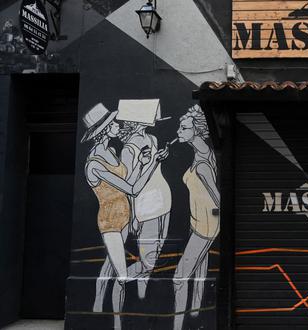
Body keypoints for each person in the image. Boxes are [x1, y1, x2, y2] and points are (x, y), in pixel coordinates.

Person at [82, 103, 167, 328]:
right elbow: (131, 188)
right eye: (112, 124)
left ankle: (99, 303)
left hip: (126, 216)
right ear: (103, 131)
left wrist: (142, 162)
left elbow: (128, 179)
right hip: (110, 223)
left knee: (109, 264)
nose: (117, 126)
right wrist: (154, 163)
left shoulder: (110, 152)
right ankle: (118, 324)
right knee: (121, 276)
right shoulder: (94, 165)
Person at [173, 105, 219, 330]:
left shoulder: (202, 165)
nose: (179, 131)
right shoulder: (203, 153)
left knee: (179, 278)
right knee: (199, 274)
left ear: (197, 130)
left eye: (184, 128)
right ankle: (194, 316)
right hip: (198, 221)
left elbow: (218, 198)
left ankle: (177, 325)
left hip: (205, 226)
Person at [118, 112, 173, 299]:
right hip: (146, 205)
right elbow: (129, 187)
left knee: (154, 257)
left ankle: (143, 297)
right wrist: (132, 215)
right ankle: (120, 279)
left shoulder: (152, 138)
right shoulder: (128, 149)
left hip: (164, 198)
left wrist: (160, 158)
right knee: (148, 261)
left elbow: (155, 171)